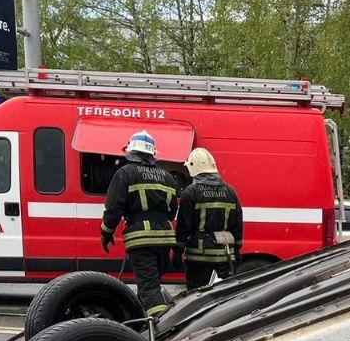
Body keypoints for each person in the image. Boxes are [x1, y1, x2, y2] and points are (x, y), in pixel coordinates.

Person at [101, 131, 180, 317]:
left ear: (131, 152)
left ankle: (160, 327)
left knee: (148, 288)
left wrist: (106, 232)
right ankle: (144, 317)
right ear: (152, 154)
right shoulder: (168, 177)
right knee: (151, 284)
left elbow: (113, 208)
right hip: (165, 239)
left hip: (141, 240)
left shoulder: (125, 173)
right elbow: (172, 210)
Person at [176, 148, 244, 290]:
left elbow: (184, 226)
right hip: (225, 256)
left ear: (193, 168)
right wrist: (237, 251)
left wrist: (177, 251)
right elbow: (238, 226)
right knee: (225, 297)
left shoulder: (190, 192)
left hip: (199, 258)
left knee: (197, 297)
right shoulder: (231, 192)